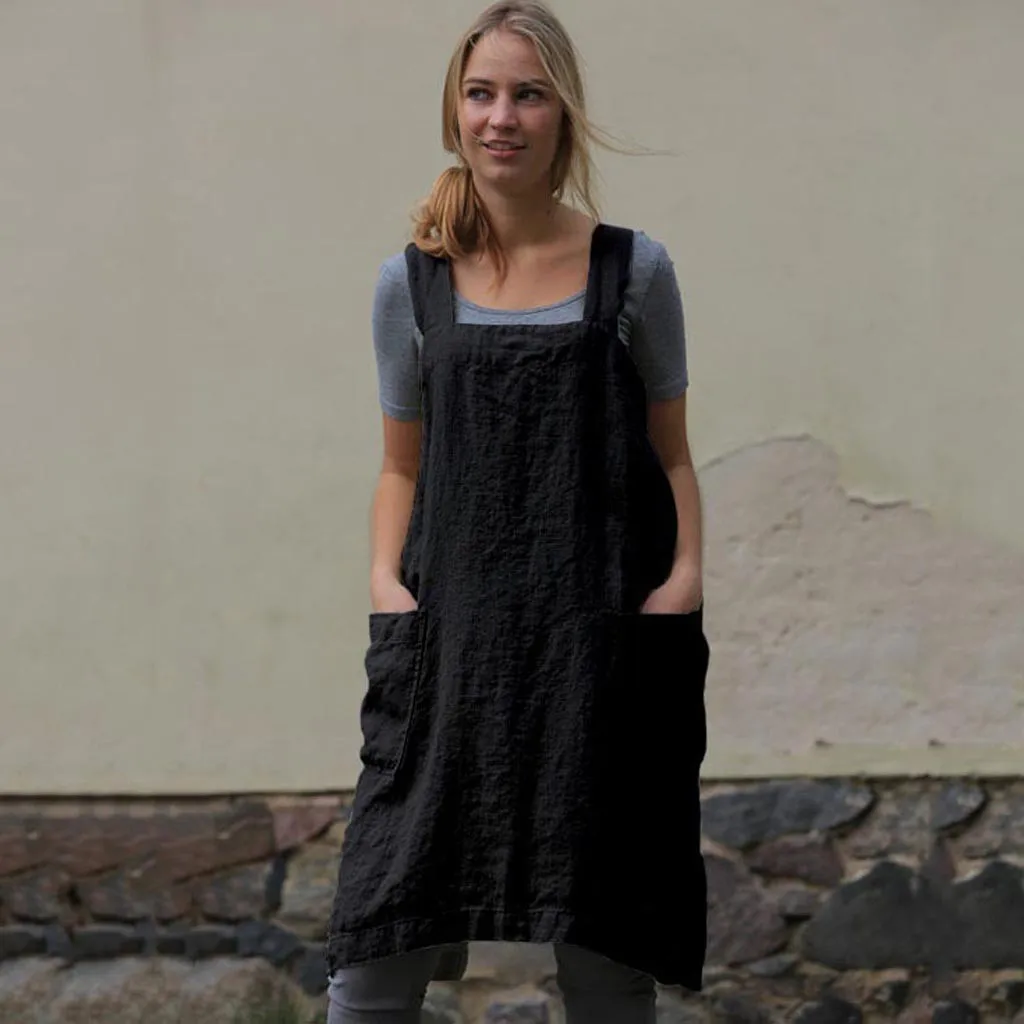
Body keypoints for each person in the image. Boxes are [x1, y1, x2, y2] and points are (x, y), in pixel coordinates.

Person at [325, 2, 710, 1021]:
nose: (502, 117)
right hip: (448, 648)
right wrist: (386, 586)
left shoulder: (636, 271)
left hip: (598, 645)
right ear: (455, 112)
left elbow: (671, 452)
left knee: (607, 938)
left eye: (528, 94)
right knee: (380, 933)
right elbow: (400, 467)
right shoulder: (409, 283)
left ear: (563, 114)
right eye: (482, 93)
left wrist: (681, 582)